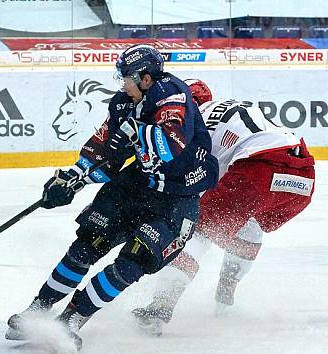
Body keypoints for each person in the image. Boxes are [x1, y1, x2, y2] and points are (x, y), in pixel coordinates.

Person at [5, 45, 219, 350]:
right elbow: (105, 150)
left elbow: (169, 146)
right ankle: (38, 308)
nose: (122, 85)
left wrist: (137, 132)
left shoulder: (172, 95)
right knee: (88, 242)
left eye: (127, 78)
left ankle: (72, 319)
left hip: (176, 199)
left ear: (145, 78)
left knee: (132, 262)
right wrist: (74, 178)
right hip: (136, 186)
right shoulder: (123, 103)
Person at [132, 79, 316, 336]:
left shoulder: (195, 123)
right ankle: (225, 297)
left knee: (196, 231)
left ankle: (162, 304)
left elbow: (193, 182)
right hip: (303, 177)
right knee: (246, 221)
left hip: (258, 169)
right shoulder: (234, 106)